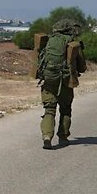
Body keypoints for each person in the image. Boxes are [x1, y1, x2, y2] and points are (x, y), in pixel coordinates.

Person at [37, 19, 88, 149]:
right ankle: (63, 137)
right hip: (65, 81)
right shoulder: (73, 43)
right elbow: (82, 67)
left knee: (49, 109)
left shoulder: (48, 41)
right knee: (65, 109)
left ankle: (47, 137)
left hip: (49, 80)